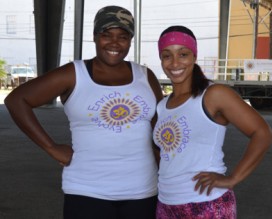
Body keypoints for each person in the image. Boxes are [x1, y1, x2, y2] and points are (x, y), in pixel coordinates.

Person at [5, 5, 163, 219]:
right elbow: (17, 100)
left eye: (123, 36)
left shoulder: (145, 76)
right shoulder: (74, 74)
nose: (114, 43)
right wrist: (50, 147)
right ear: (95, 37)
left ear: (130, 40)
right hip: (87, 191)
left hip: (143, 191)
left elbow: (159, 128)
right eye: (106, 35)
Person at [153, 25, 272, 218]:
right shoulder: (162, 106)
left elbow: (263, 133)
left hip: (206, 204)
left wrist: (233, 178)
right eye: (167, 56)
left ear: (194, 56)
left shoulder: (213, 94)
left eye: (183, 54)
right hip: (167, 204)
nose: (175, 63)